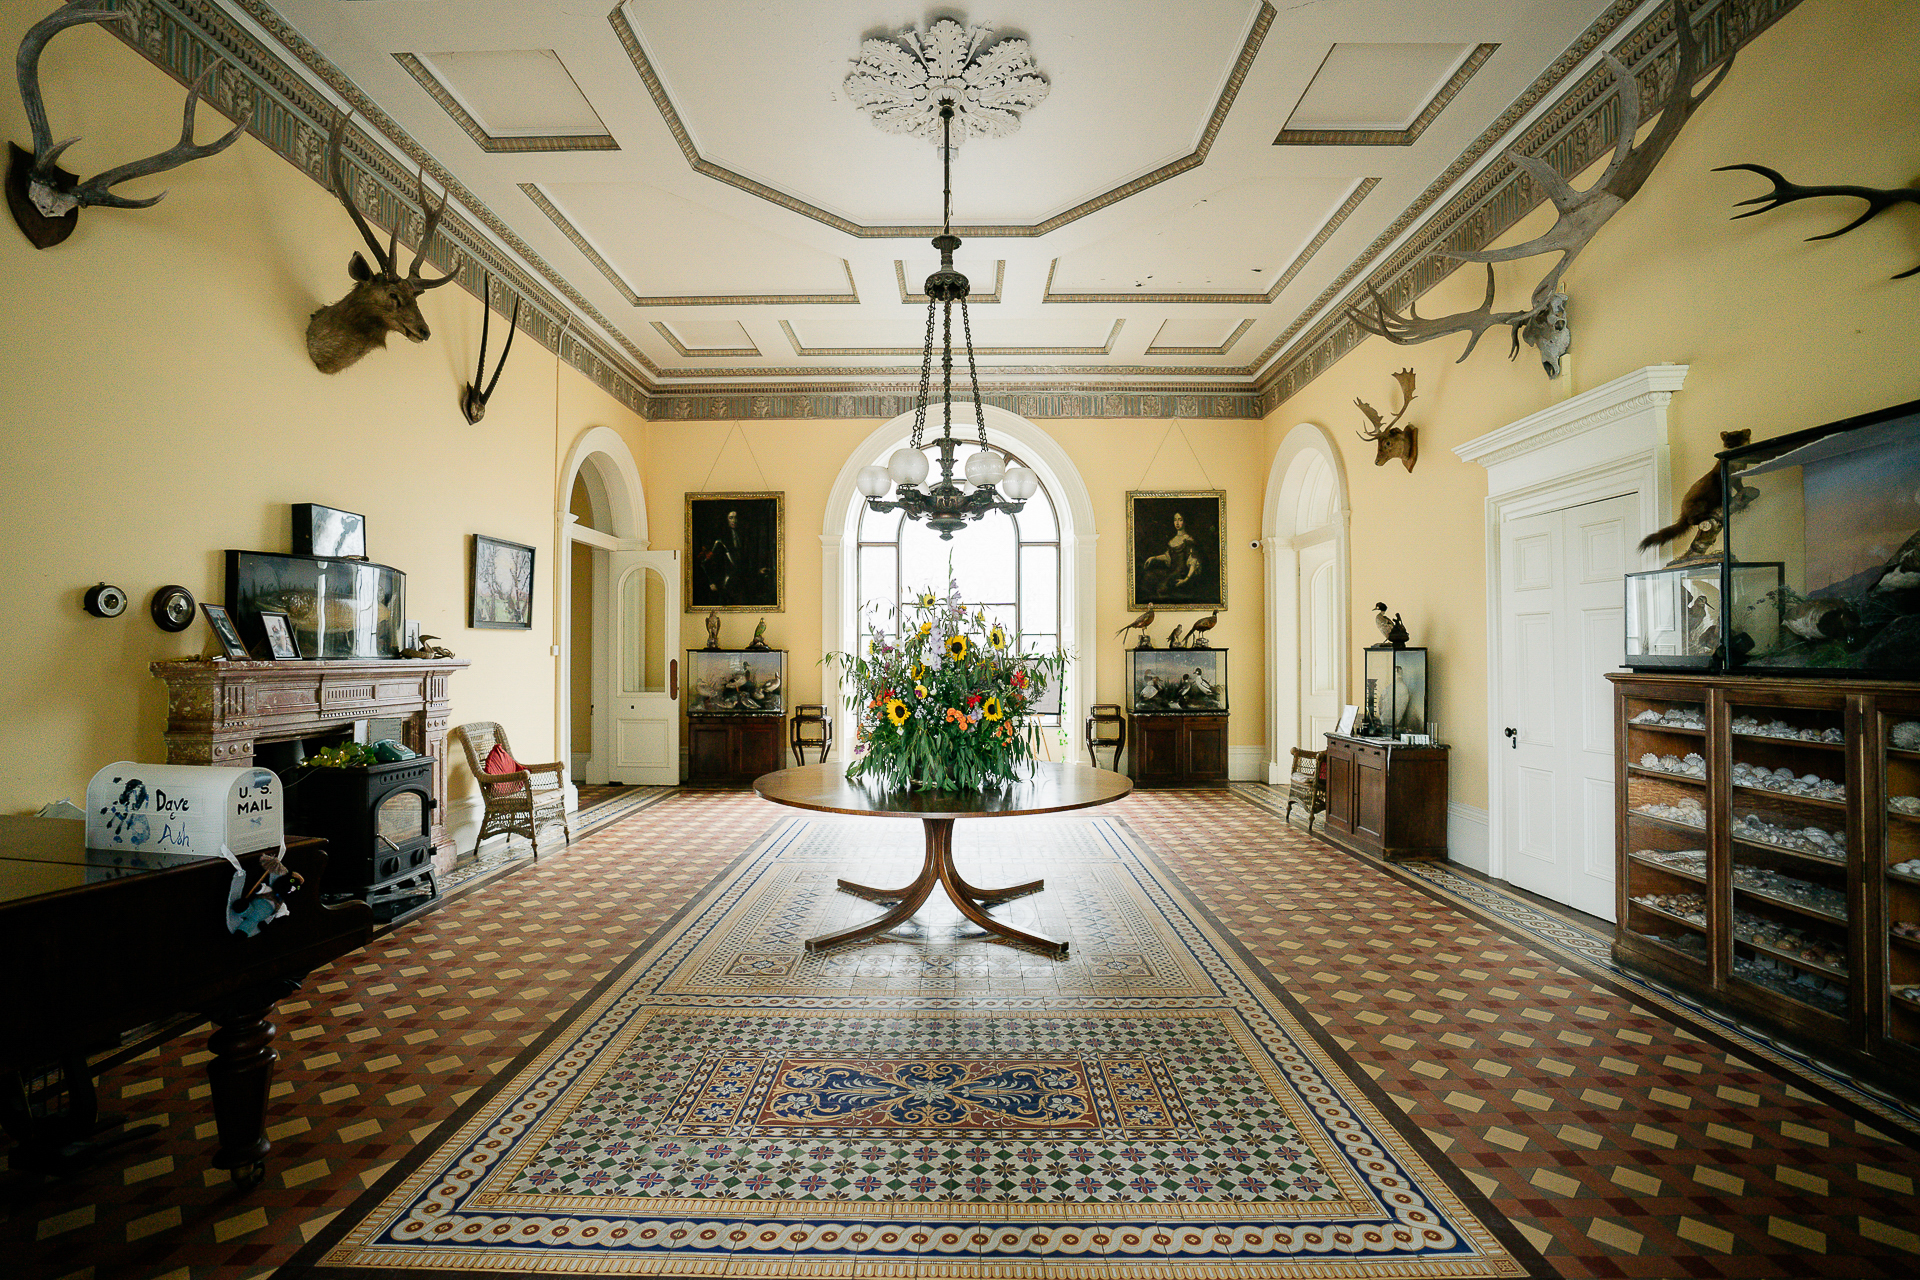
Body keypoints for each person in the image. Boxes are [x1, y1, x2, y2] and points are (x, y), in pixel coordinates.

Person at [701, 508, 770, 606]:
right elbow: (706, 563)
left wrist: (757, 571)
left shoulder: (741, 537)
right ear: (726, 519)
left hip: (738, 581)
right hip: (725, 583)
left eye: (736, 518)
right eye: (731, 518)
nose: (734, 521)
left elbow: (741, 564)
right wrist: (711, 582)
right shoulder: (720, 540)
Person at [1141, 511, 1201, 599]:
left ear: (1184, 522)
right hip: (1171, 571)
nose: (1177, 523)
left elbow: (1193, 562)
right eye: (1175, 520)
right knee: (1148, 576)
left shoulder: (1188, 540)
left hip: (1180, 574)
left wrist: (1186, 579)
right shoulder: (1172, 541)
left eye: (1180, 520)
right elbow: (1168, 557)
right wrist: (1153, 558)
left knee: (1162, 588)